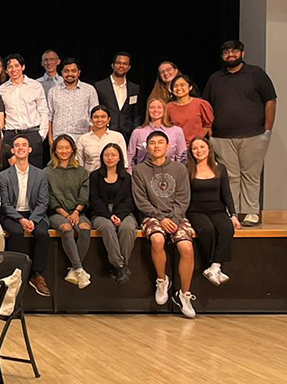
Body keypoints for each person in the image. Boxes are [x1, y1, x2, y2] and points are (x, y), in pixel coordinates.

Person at [204, 40, 277, 226]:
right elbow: (207, 105)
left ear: (242, 54)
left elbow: (270, 100)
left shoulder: (256, 74)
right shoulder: (215, 78)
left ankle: (251, 212)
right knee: (230, 176)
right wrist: (210, 132)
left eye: (234, 51)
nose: (230, 55)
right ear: (222, 56)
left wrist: (267, 129)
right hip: (222, 137)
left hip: (253, 135)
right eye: (226, 52)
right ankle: (233, 212)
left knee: (250, 175)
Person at [132, 130, 198, 318]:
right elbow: (141, 201)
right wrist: (160, 218)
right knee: (158, 240)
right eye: (152, 143)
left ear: (168, 147)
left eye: (161, 143)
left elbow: (184, 198)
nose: (157, 146)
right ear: (147, 147)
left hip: (177, 216)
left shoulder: (179, 169)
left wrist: (175, 219)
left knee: (186, 247)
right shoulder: (139, 170)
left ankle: (184, 294)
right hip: (152, 215)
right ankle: (162, 280)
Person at [0, 135, 53, 297]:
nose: (21, 148)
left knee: (43, 233)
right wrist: (21, 220)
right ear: (13, 151)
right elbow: (5, 204)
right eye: (17, 146)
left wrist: (33, 220)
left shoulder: (41, 174)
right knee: (16, 232)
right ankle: (14, 274)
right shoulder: (4, 175)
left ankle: (37, 275)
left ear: (30, 150)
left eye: (24, 145)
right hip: (13, 214)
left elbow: (43, 203)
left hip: (34, 213)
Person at [187, 138, 238, 286]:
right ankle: (209, 266)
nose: (199, 151)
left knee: (227, 228)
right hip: (195, 211)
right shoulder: (187, 169)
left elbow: (226, 193)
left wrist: (233, 215)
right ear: (191, 152)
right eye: (195, 148)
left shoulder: (220, 168)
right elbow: (185, 196)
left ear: (209, 149)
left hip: (217, 210)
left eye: (202, 147)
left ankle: (215, 266)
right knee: (207, 230)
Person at [45, 134, 92, 288]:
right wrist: (66, 215)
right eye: (60, 148)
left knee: (85, 228)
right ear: (55, 150)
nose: (63, 151)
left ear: (72, 150)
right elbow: (50, 197)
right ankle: (79, 268)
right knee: (66, 228)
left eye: (67, 147)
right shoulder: (47, 171)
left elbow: (84, 195)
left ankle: (74, 270)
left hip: (78, 212)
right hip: (57, 213)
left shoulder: (81, 171)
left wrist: (76, 212)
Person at [88, 143, 137, 283]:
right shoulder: (94, 176)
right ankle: (120, 265)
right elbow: (94, 200)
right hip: (101, 213)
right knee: (107, 227)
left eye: (113, 155)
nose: (110, 158)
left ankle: (120, 266)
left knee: (127, 228)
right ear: (102, 157)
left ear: (119, 158)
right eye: (107, 155)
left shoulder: (126, 177)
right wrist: (109, 216)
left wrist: (119, 216)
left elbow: (128, 200)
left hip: (123, 212)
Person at [0, 54, 49, 168]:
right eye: (10, 67)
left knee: (34, 174)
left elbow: (44, 111)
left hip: (32, 134)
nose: (13, 69)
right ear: (6, 70)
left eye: (16, 66)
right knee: (11, 173)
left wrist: (41, 135)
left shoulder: (35, 86)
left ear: (23, 67)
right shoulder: (1, 90)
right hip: (11, 135)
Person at [47, 58, 99, 142]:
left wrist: (90, 139)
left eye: (73, 71)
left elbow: (94, 116)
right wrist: (50, 140)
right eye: (66, 71)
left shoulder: (89, 90)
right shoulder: (53, 91)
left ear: (79, 72)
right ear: (62, 73)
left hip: (82, 139)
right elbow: (49, 117)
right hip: (59, 139)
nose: (70, 74)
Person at [94, 51, 141, 141]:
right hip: (106, 132)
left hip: (127, 134)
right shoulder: (100, 86)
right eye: (118, 63)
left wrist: (135, 130)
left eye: (125, 64)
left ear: (129, 67)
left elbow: (136, 114)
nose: (121, 66)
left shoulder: (135, 88)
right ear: (113, 65)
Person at [128, 98, 186, 166]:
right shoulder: (138, 132)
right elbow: (130, 158)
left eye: (159, 107)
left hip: (170, 173)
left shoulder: (176, 131)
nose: (155, 110)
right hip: (144, 174)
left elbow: (182, 158)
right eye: (152, 107)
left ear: (164, 110)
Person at [76, 105, 128, 172]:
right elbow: (80, 164)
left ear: (108, 119)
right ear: (91, 119)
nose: (99, 120)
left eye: (103, 117)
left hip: (112, 178)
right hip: (89, 178)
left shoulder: (117, 137)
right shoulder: (83, 139)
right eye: (96, 117)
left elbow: (124, 163)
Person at [166, 74, 213, 145]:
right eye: (175, 86)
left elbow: (207, 125)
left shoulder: (201, 104)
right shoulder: (168, 107)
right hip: (177, 145)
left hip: (197, 146)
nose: (179, 88)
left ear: (190, 87)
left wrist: (198, 139)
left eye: (182, 85)